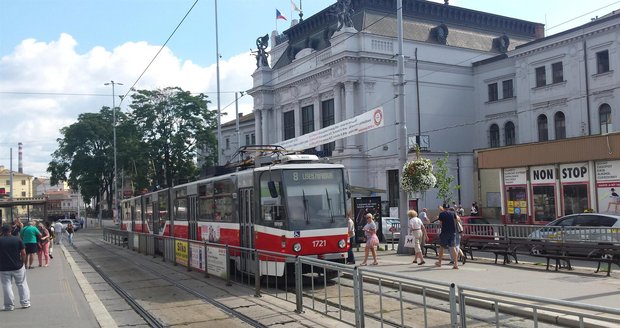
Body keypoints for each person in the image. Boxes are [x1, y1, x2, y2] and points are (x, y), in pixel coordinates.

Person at [0, 224, 31, 311]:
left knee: (6, 286)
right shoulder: (17, 239)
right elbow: (23, 253)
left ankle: (9, 305)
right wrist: (23, 262)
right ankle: (25, 302)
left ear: (2, 231)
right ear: (11, 230)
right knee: (22, 284)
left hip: (3, 267)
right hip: (18, 266)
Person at [433, 205, 459, 269]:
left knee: (442, 247)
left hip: (445, 232)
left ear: (443, 208)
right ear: (449, 208)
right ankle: (456, 264)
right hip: (453, 232)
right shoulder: (453, 213)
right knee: (453, 248)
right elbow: (457, 220)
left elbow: (441, 223)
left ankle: (439, 262)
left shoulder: (441, 214)